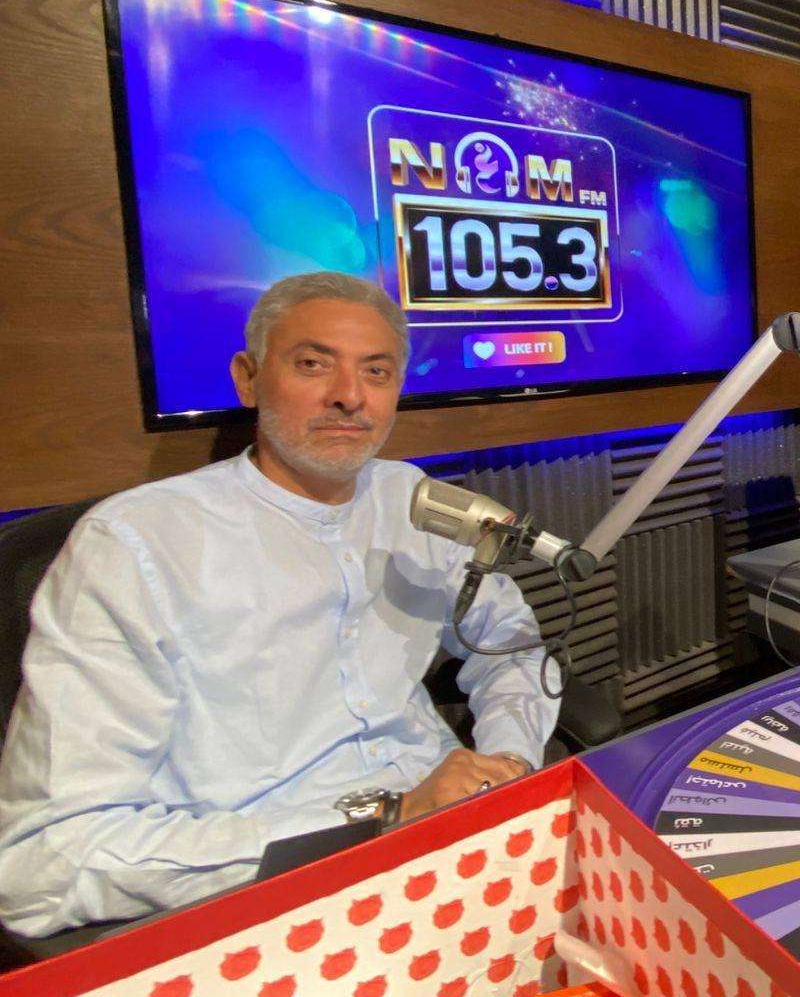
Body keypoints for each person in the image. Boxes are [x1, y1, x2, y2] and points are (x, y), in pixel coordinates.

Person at [0, 273, 557, 937]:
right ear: (249, 378)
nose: (350, 396)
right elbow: (42, 864)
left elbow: (512, 645)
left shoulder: (413, 501)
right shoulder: (135, 544)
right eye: (313, 365)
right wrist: (386, 815)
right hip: (271, 888)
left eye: (376, 372)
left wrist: (510, 763)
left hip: (467, 832)